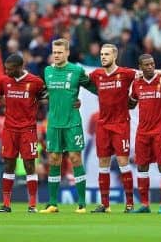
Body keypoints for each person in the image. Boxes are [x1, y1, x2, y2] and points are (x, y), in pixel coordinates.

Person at [40, 38, 96, 214]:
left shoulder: (77, 71)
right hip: (54, 123)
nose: (56, 55)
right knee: (54, 160)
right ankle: (52, 203)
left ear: (67, 53)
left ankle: (81, 204)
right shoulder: (47, 71)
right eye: (54, 52)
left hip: (72, 122)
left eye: (59, 52)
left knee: (75, 158)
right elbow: (45, 93)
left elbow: (95, 88)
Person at [0, 54, 47, 213]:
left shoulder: (35, 82)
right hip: (9, 129)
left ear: (19, 67)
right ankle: (6, 204)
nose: (6, 71)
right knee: (9, 164)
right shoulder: (3, 81)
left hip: (28, 129)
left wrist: (33, 106)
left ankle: (32, 205)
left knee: (30, 165)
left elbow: (45, 97)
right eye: (5, 68)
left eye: (9, 69)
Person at [88, 44, 137, 213]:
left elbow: (144, 77)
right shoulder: (97, 74)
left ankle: (129, 204)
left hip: (121, 124)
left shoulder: (126, 73)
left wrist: (133, 98)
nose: (103, 57)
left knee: (123, 162)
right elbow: (82, 82)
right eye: (101, 54)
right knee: (103, 163)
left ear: (114, 56)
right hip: (103, 124)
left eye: (107, 54)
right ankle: (105, 205)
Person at [128, 54, 161, 214]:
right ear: (140, 67)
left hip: (160, 132)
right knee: (142, 167)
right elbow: (131, 103)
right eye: (147, 65)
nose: (150, 67)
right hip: (142, 133)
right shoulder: (137, 83)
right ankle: (145, 204)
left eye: (152, 64)